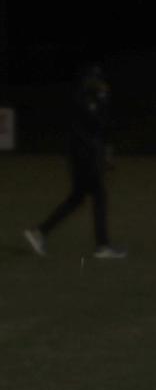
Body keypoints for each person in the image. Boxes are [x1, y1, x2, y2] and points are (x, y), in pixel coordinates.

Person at [23, 63, 126, 259]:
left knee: (77, 199)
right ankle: (102, 245)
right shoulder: (87, 99)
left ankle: (40, 232)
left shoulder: (84, 96)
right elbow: (96, 125)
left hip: (82, 155)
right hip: (84, 156)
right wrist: (104, 100)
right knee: (98, 197)